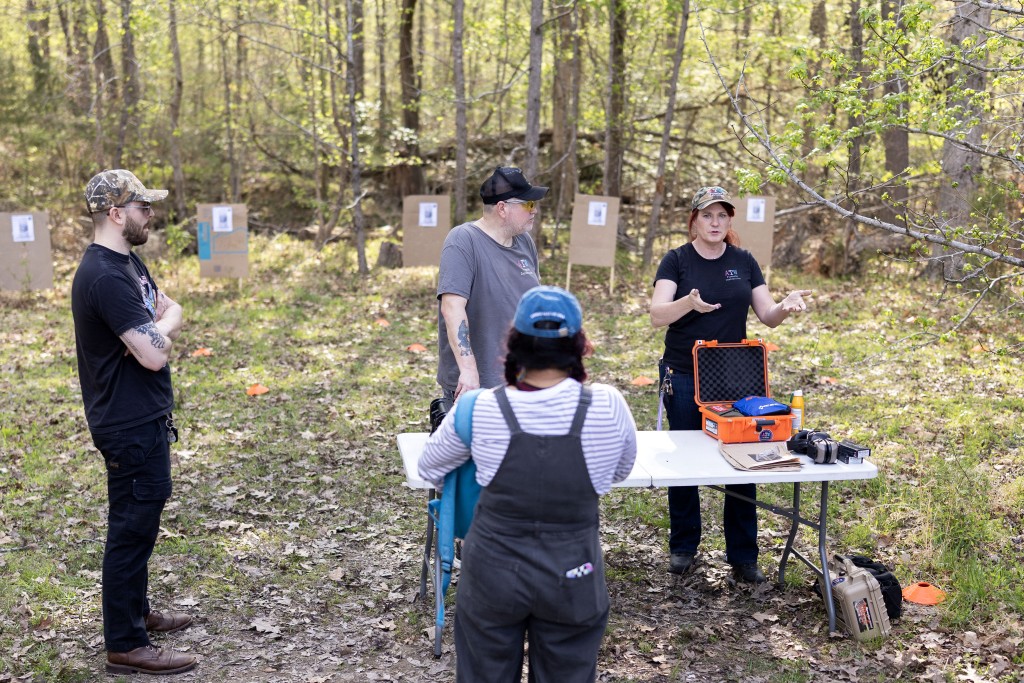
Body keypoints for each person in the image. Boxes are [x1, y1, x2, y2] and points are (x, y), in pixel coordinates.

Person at [419, 286, 638, 683]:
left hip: (492, 574)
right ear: (579, 345)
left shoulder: (479, 408)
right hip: (574, 573)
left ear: (514, 342)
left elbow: (429, 468)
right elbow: (619, 471)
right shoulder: (608, 406)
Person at [650, 185, 811, 584]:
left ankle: (743, 556)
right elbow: (657, 314)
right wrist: (689, 302)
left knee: (743, 463)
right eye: (707, 215)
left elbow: (767, 316)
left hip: (737, 377)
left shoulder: (744, 261)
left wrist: (785, 306)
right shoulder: (677, 260)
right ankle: (683, 548)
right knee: (685, 460)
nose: (715, 222)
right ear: (694, 220)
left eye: (722, 215)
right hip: (685, 373)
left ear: (730, 221)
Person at [71, 170, 197, 675]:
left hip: (142, 417)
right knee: (130, 529)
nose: (151, 214)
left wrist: (160, 321)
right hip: (126, 423)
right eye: (142, 207)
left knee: (142, 525)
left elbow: (156, 313)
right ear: (116, 214)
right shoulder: (102, 275)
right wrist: (170, 321)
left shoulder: (128, 263)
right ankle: (125, 643)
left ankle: (136, 613)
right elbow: (152, 351)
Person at [437, 166, 547, 401]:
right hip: (478, 387)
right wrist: (468, 371)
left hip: (521, 380)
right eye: (528, 204)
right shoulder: (463, 240)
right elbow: (452, 307)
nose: (534, 210)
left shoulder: (524, 242)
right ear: (502, 208)